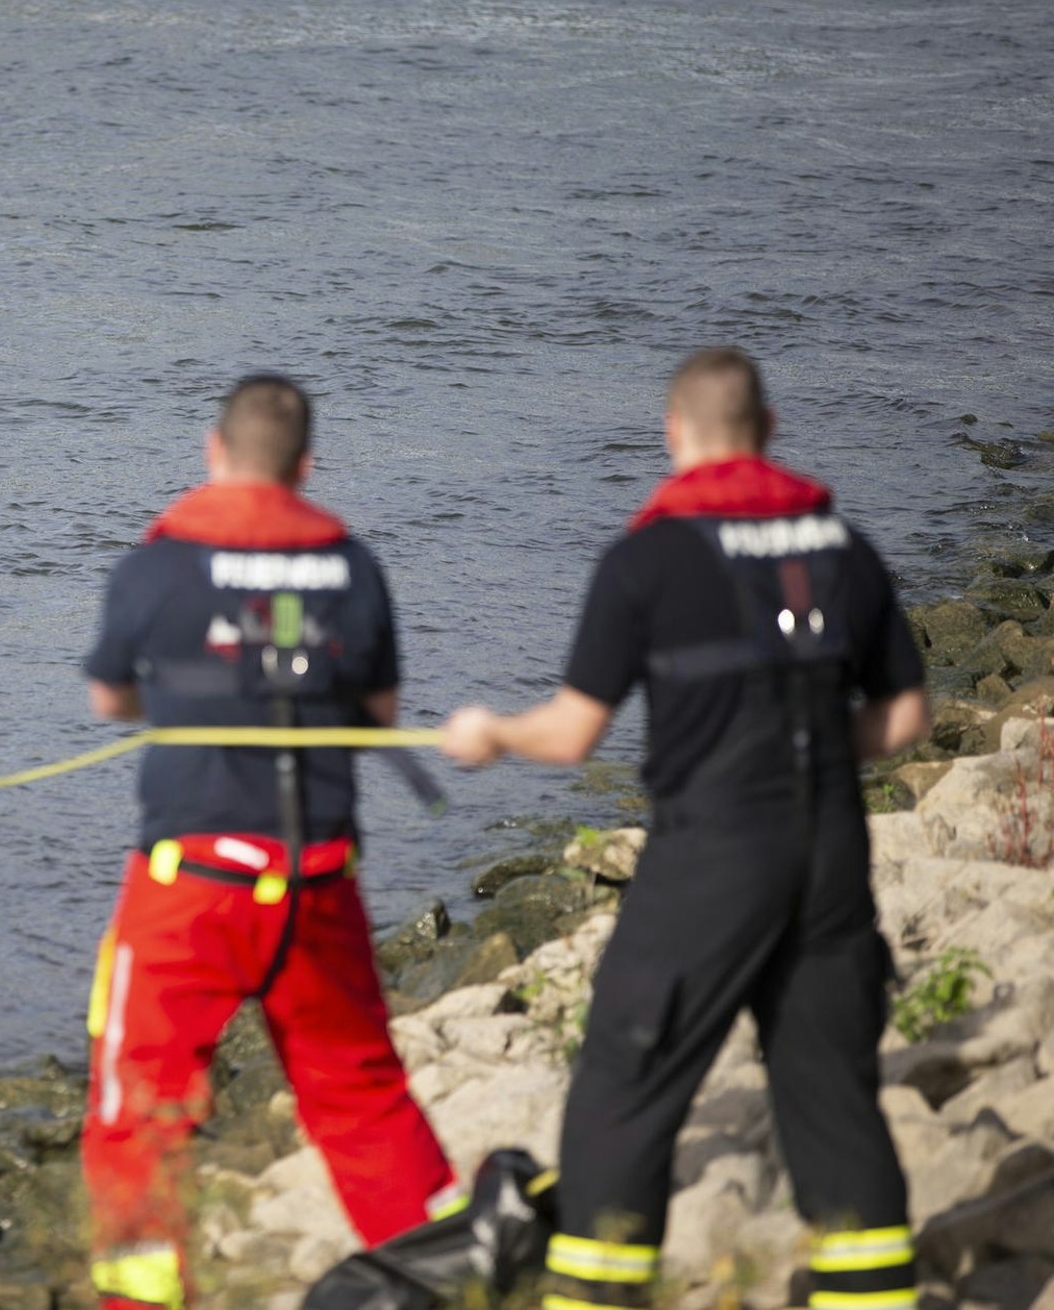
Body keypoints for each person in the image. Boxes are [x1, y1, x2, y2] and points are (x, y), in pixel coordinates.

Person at [440, 348, 930, 1310]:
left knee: (624, 1083)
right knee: (833, 1096)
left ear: (673, 435)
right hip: (830, 846)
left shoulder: (647, 559)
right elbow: (907, 716)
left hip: (713, 853)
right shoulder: (842, 543)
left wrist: (491, 732)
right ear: (769, 430)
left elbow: (573, 732)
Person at [81, 375, 456, 1310]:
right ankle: (440, 1274)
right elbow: (379, 713)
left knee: (141, 1102)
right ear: (305, 465)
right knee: (361, 1095)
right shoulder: (353, 565)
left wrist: (191, 691)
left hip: (190, 880)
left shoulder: (157, 564)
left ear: (214, 451)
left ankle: (141, 1298)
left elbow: (110, 697)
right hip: (316, 877)